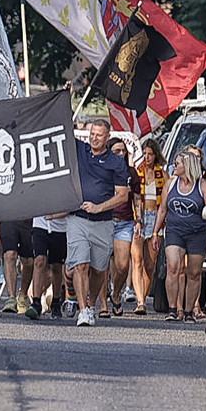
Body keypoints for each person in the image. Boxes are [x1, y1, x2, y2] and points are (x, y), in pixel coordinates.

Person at [66, 119, 128, 327]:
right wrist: (67, 95)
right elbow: (64, 125)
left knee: (99, 269)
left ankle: (91, 303)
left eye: (99, 135)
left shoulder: (116, 162)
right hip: (77, 218)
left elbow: (122, 195)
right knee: (80, 265)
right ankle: (83, 309)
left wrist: (99, 207)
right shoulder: (81, 150)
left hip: (102, 221)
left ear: (107, 137)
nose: (94, 138)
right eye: (92, 134)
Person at [155, 150, 206, 322]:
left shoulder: (203, 186)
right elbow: (162, 210)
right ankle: (173, 309)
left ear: (187, 167)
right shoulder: (170, 184)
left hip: (197, 233)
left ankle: (189, 311)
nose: (174, 167)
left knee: (194, 272)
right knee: (173, 267)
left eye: (177, 164)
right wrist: (155, 233)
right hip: (175, 231)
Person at [107, 140, 141, 317]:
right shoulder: (103, 169)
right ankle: (102, 306)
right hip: (104, 220)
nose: (120, 154)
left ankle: (115, 293)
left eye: (123, 151)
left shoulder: (131, 173)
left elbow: (137, 198)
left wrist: (139, 220)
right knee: (101, 264)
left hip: (125, 222)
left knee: (122, 265)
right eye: (116, 151)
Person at [134, 138, 167, 315]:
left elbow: (165, 202)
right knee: (136, 259)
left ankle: (143, 296)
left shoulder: (162, 174)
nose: (147, 157)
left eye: (150, 154)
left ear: (156, 155)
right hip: (138, 216)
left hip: (155, 218)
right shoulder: (136, 172)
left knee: (150, 264)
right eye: (144, 154)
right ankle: (140, 301)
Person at [30, 214, 68, 319]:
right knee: (39, 261)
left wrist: (55, 215)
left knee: (56, 266)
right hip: (40, 224)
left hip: (60, 227)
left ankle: (56, 302)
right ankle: (36, 302)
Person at [0, 219, 36, 314]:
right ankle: (11, 298)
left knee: (28, 260)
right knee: (9, 255)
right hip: (8, 217)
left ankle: (23, 296)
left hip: (29, 220)